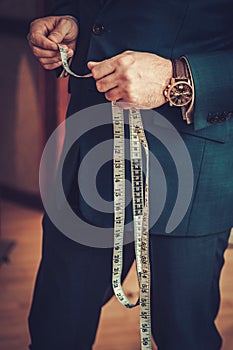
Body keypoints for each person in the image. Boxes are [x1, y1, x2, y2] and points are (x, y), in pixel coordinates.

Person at [27, 1, 233, 349]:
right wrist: (70, 17)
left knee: (184, 336)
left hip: (193, 165)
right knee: (54, 330)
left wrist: (177, 78)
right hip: (89, 151)